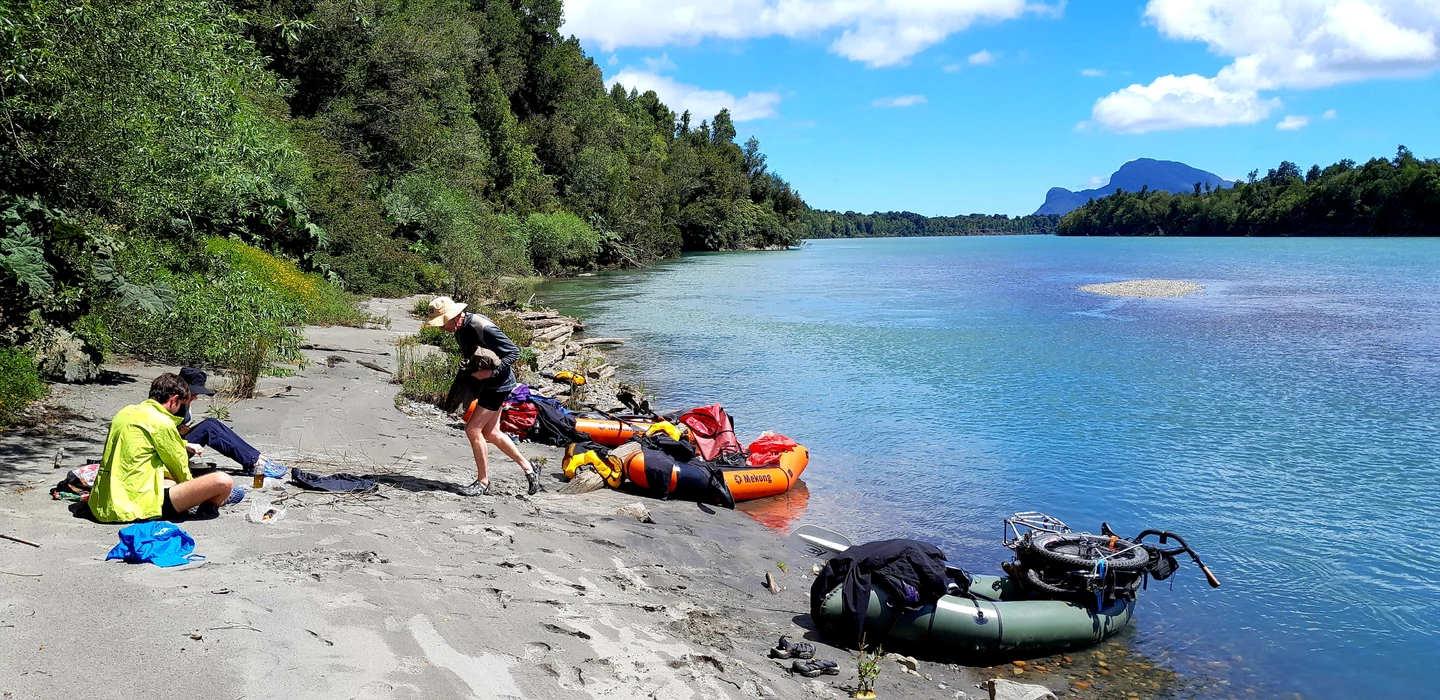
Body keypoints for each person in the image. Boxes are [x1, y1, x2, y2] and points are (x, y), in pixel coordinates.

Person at [425, 296, 540, 496]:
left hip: (499, 384)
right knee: (491, 433)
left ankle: (483, 482)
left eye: (443, 323)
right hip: (487, 383)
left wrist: (491, 373)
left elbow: (514, 352)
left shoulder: (482, 326)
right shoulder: (459, 329)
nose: (441, 328)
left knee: (472, 429)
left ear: (455, 316)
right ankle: (529, 468)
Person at [89, 373, 240, 523]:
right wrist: (196, 492)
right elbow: (180, 469)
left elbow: (143, 441)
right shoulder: (161, 422)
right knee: (223, 481)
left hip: (104, 502)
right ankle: (204, 504)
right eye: (181, 403)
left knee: (167, 480)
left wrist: (184, 444)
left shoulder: (125, 412)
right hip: (137, 507)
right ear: (174, 400)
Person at [174, 367, 288, 479]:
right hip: (172, 452)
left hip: (179, 442)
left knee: (212, 422)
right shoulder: (171, 402)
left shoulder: (184, 403)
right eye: (192, 392)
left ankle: (257, 458)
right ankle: (253, 463)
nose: (194, 396)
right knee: (208, 428)